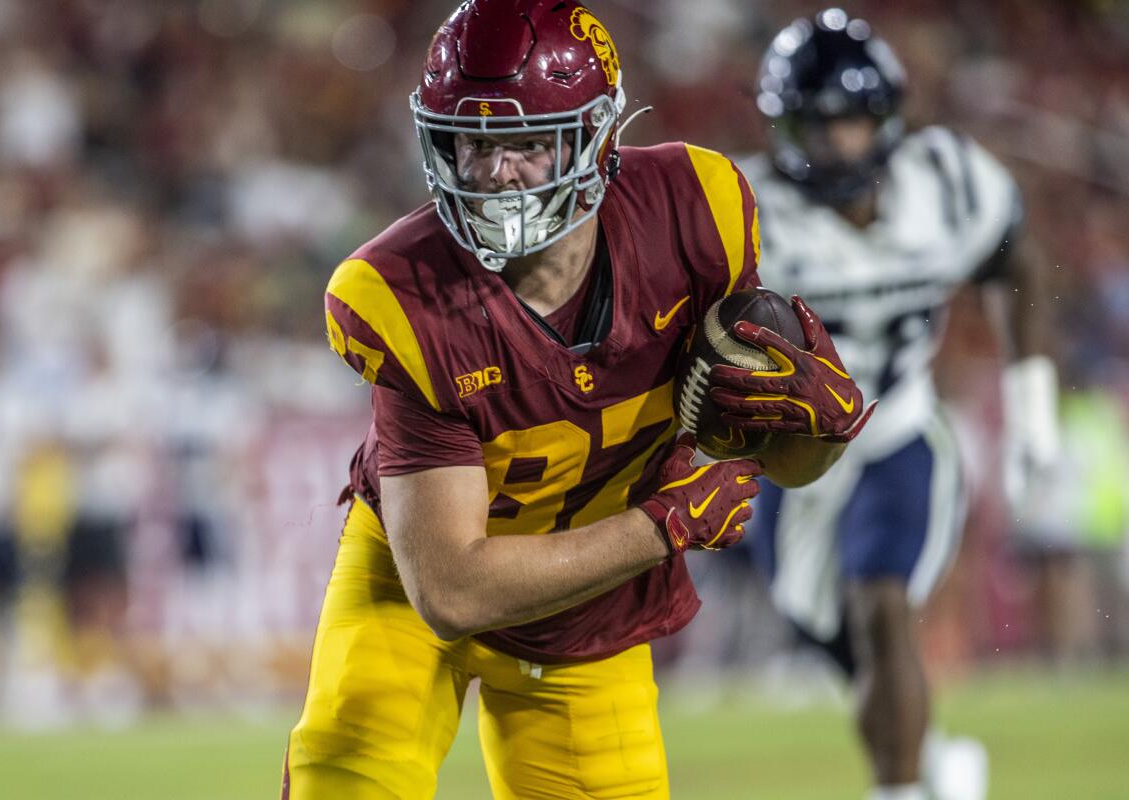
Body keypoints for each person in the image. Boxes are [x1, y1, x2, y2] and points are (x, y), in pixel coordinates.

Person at [282, 2, 872, 798]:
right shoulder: (401, 293)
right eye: (475, 144)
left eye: (526, 143)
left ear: (597, 139)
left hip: (588, 614)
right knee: (347, 779)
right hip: (412, 586)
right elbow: (452, 591)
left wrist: (819, 434)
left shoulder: (696, 215)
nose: (496, 174)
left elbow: (772, 468)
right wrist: (660, 525)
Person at [728, 10, 1060, 800]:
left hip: (897, 431)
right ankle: (938, 759)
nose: (840, 142)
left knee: (880, 605)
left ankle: (902, 789)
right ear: (785, 126)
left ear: (888, 119)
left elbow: (1017, 259)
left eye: (854, 121)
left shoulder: (943, 182)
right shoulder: (745, 208)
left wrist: (1034, 413)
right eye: (819, 123)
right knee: (823, 627)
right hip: (796, 456)